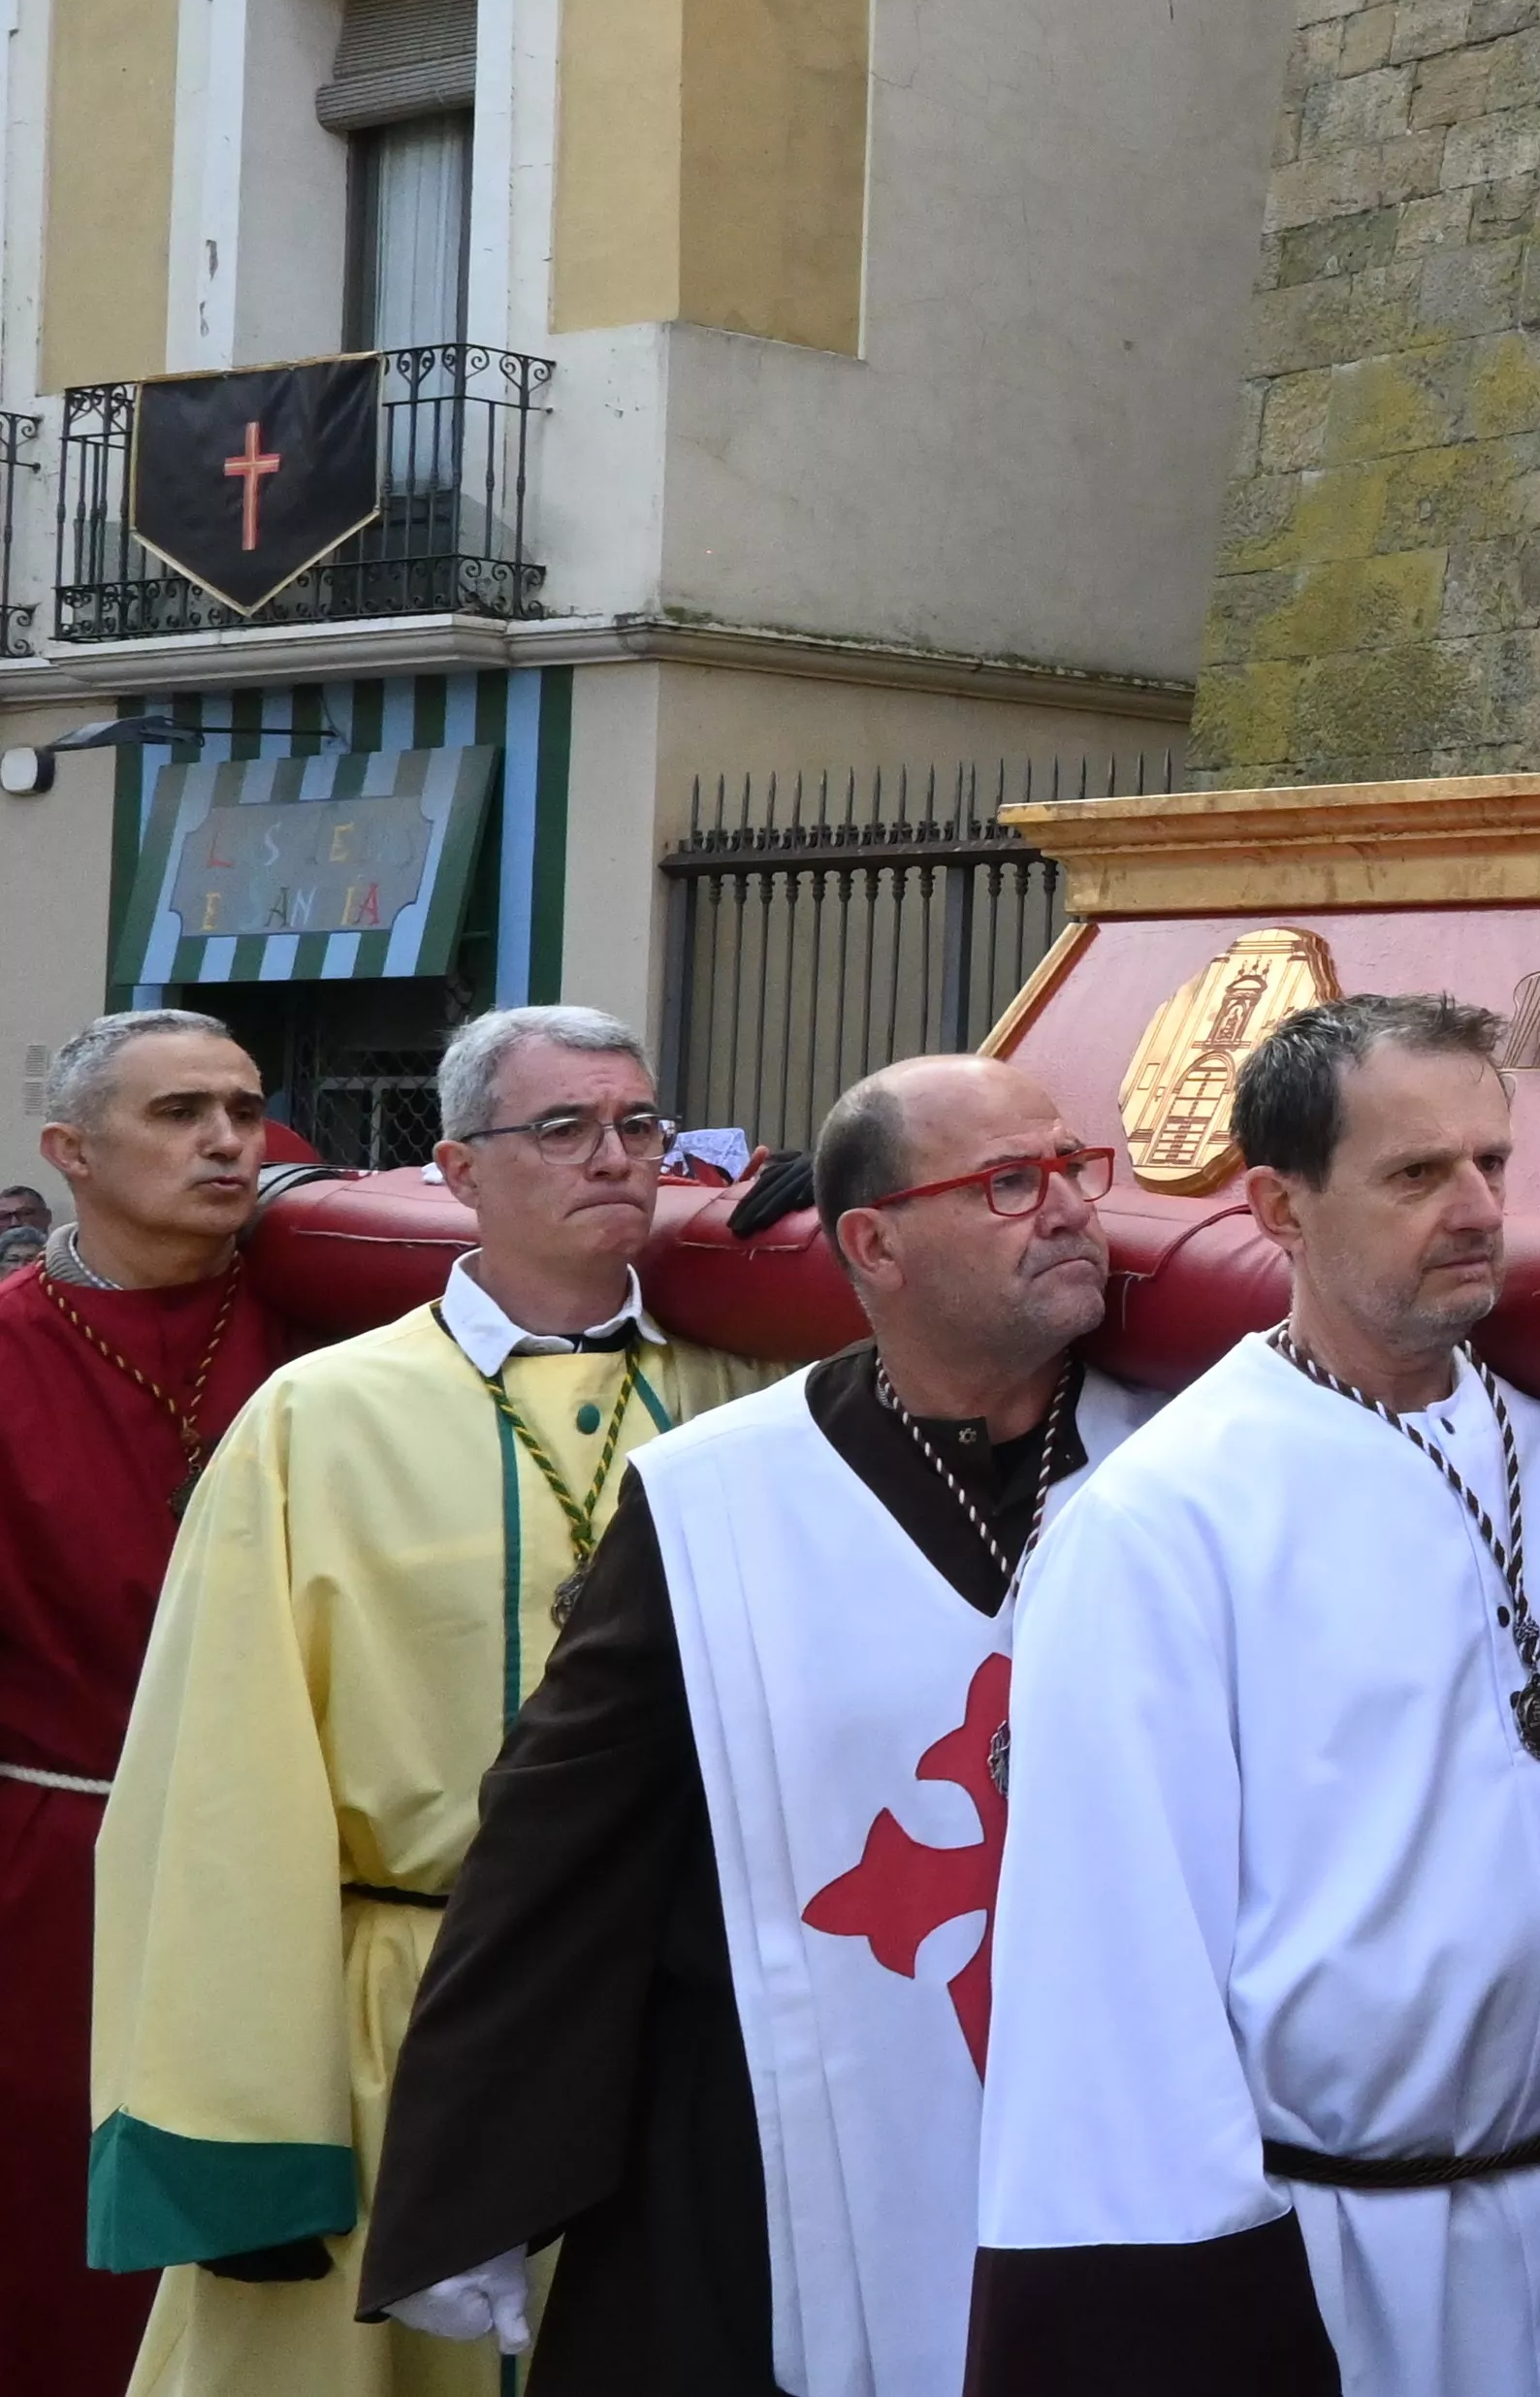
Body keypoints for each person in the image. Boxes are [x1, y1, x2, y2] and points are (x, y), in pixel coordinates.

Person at [965, 995, 1540, 2391]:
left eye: (1491, 1162)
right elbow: (1113, 1978)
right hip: (1331, 2250)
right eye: (1415, 1173)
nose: (1476, 1209)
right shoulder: (1166, 1521)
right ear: (1279, 1207)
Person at [358, 1054, 1151, 2392]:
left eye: (1077, 1167)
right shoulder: (717, 1500)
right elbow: (560, 1834)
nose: (1074, 1206)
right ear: (873, 1244)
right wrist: (469, 2179)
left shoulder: (1177, 1466)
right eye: (1014, 1181)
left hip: (1114, 2114)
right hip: (785, 2134)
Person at [89, 1005, 762, 2396]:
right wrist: (242, 2134)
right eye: (563, 1127)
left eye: (639, 1124)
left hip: (679, 2016)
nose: (614, 1156)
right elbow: (218, 1784)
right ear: (457, 1169)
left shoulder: (745, 1394)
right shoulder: (320, 1417)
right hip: (402, 2022)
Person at [0, 1013, 297, 2384]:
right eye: (180, 1113)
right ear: (70, 1150)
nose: (229, 1140)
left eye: (242, 1107)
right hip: (56, 1878)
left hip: (298, 1880)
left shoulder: (338, 1318)